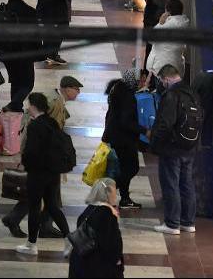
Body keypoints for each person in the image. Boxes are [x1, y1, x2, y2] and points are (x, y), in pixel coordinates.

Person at [16, 92, 71, 256]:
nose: (27, 108)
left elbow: (31, 151)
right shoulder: (52, 122)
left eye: (28, 105)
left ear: (33, 106)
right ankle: (69, 239)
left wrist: (24, 161)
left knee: (34, 208)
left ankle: (31, 244)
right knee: (52, 206)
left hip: (37, 174)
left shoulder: (35, 126)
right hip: (52, 173)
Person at [151, 64, 200, 235]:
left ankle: (172, 224)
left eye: (161, 80)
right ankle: (188, 222)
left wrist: (155, 141)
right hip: (189, 147)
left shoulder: (171, 95)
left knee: (171, 184)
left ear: (166, 78)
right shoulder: (192, 93)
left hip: (172, 149)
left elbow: (165, 123)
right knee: (187, 185)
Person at [0, 0, 40, 111]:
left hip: (7, 54)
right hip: (25, 53)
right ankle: (13, 104)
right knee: (27, 83)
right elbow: (36, 35)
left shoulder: (2, 11)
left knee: (15, 81)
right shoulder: (30, 12)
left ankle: (16, 109)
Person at [70, 178, 125, 278]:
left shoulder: (88, 210)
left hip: (80, 264)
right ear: (108, 194)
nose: (116, 196)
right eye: (115, 192)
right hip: (97, 268)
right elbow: (111, 245)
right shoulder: (107, 214)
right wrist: (118, 262)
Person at [103, 73, 143, 209]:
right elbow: (126, 121)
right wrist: (144, 130)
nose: (145, 81)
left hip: (114, 137)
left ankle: (124, 198)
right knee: (132, 167)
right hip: (123, 140)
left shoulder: (118, 88)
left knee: (124, 168)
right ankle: (110, 191)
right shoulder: (127, 97)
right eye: (142, 79)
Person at [147, 0, 190, 78]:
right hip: (177, 67)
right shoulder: (184, 23)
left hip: (162, 69)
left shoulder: (166, 25)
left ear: (167, 12)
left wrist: (160, 23)